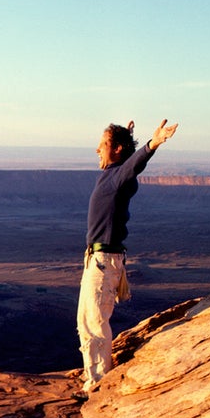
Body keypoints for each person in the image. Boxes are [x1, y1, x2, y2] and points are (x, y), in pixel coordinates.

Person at [76, 117, 178, 395]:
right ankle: (93, 377)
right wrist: (129, 140)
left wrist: (152, 144)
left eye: (103, 145)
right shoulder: (113, 174)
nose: (97, 150)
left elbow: (133, 166)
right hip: (97, 260)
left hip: (104, 261)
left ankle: (96, 384)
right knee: (86, 323)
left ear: (117, 149)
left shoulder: (119, 177)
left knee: (94, 324)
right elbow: (126, 164)